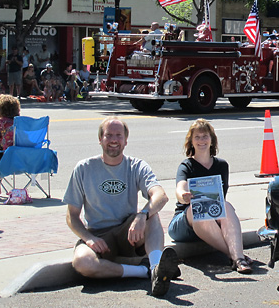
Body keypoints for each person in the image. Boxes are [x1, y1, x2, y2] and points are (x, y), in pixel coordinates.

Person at [63, 117, 180, 297]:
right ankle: (145, 271)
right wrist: (88, 238)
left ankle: (156, 268)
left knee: (152, 214)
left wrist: (142, 215)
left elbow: (160, 196)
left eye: (119, 135)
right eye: (108, 135)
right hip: (98, 234)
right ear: (100, 139)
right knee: (82, 263)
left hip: (128, 232)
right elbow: (72, 216)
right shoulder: (83, 168)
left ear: (126, 141)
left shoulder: (136, 166)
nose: (114, 140)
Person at [168, 119, 253, 274]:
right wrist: (183, 196)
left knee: (226, 206)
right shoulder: (186, 166)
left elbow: (220, 200)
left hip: (211, 220)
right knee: (198, 208)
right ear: (191, 141)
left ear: (212, 139)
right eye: (197, 137)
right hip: (185, 222)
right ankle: (235, 255)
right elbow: (179, 188)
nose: (202, 140)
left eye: (205, 136)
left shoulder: (221, 165)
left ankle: (238, 258)